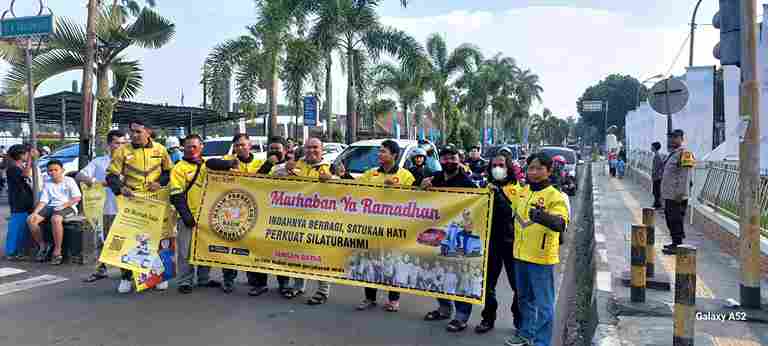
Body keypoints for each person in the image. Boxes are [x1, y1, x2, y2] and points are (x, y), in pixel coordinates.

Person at [206, 134, 289, 295]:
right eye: (237, 145)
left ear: (250, 145)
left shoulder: (259, 161)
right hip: (233, 211)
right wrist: (229, 164)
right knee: (230, 248)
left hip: (260, 212)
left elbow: (261, 179)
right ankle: (229, 280)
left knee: (258, 249)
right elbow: (209, 163)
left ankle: (262, 281)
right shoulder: (227, 158)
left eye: (243, 145)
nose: (240, 148)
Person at [505, 153, 569, 346]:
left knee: (544, 305)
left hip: (541, 259)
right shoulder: (522, 192)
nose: (533, 172)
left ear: (549, 171)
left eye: (539, 168)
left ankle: (541, 342)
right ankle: (525, 333)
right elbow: (503, 191)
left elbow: (561, 223)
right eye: (530, 168)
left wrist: (542, 216)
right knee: (524, 299)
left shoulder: (555, 196)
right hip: (520, 255)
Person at [106, 119, 174, 294]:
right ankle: (126, 277)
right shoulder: (122, 151)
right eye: (132, 132)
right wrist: (121, 188)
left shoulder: (161, 149)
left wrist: (159, 183)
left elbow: (168, 172)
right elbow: (111, 176)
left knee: (158, 238)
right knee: (130, 239)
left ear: (148, 132)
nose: (134, 135)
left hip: (156, 200)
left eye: (138, 132)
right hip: (132, 201)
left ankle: (158, 276)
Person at [271, 137, 335, 305]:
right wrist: (285, 169)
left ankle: (323, 291)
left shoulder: (330, 168)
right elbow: (271, 176)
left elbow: (348, 188)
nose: (311, 151)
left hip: (321, 220)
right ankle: (299, 285)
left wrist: (333, 180)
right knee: (299, 255)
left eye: (315, 147)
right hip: (297, 219)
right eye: (308, 148)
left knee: (320, 258)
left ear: (322, 150)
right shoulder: (295, 164)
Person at [420, 145, 477, 332]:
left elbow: (476, 212)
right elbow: (416, 201)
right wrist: (420, 188)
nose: (449, 161)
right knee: (438, 274)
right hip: (436, 236)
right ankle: (444, 308)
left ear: (459, 159)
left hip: (458, 238)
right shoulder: (434, 178)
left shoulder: (468, 184)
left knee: (460, 276)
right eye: (445, 158)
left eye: (452, 157)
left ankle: (461, 316)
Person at [355, 140, 416, 313]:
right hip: (371, 226)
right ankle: (369, 298)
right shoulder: (371, 173)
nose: (379, 154)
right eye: (379, 152)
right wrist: (341, 177)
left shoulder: (406, 176)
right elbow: (352, 188)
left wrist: (399, 189)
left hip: (394, 227)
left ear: (394, 155)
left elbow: (415, 201)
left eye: (383, 152)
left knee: (392, 262)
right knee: (370, 261)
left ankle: (394, 300)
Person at [475, 154, 522, 334]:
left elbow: (511, 212)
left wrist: (498, 194)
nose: (497, 168)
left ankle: (519, 320)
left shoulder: (517, 189)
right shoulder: (484, 186)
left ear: (508, 167)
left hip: (511, 242)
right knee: (487, 284)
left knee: (517, 285)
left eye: (501, 165)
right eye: (494, 165)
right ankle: (488, 318)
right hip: (490, 242)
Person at [170, 134, 219, 294]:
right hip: (188, 217)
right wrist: (186, 216)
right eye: (187, 147)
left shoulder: (208, 165)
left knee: (205, 248)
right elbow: (176, 194)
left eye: (194, 147)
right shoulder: (179, 168)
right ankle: (185, 281)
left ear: (201, 147)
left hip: (208, 216)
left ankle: (204, 279)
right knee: (185, 251)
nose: (190, 150)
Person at [80, 130, 129, 283]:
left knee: (126, 242)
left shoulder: (132, 161)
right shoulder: (99, 162)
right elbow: (80, 176)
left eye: (123, 143)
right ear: (109, 145)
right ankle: (101, 269)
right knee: (104, 241)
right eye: (117, 143)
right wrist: (98, 183)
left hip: (128, 210)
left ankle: (127, 274)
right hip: (106, 209)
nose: (121, 146)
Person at [27, 160, 82, 265]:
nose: (53, 172)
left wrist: (63, 206)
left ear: (62, 170)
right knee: (31, 219)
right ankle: (43, 246)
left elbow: (77, 198)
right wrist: (35, 213)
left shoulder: (69, 180)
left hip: (68, 207)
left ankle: (57, 251)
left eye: (56, 170)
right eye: (50, 170)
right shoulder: (47, 183)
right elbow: (43, 201)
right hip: (51, 207)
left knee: (56, 219)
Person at [661, 129, 695, 255]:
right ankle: (675, 242)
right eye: (670, 138)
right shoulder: (674, 154)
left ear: (681, 138)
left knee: (676, 220)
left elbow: (685, 176)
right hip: (670, 195)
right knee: (670, 219)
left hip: (677, 196)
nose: (672, 140)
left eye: (675, 137)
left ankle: (678, 244)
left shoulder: (685, 154)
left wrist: (681, 194)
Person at [4, 145, 35, 261]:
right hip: (18, 203)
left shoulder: (18, 167)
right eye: (27, 154)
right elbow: (26, 175)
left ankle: (18, 251)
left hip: (24, 202)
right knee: (16, 228)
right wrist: (31, 159)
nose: (28, 156)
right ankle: (11, 252)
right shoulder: (13, 169)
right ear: (21, 155)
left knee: (22, 228)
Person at [651, 142, 664, 209]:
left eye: (652, 146)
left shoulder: (657, 156)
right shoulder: (657, 155)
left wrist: (653, 175)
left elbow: (656, 168)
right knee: (656, 191)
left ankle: (657, 204)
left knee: (656, 191)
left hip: (657, 177)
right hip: (657, 176)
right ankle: (657, 203)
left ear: (654, 147)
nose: (651, 148)